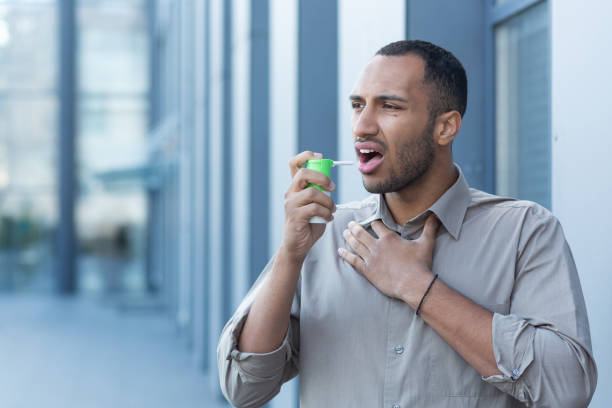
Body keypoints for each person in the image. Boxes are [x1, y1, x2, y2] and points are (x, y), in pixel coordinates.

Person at [217, 40, 597, 407]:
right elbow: (244, 388)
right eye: (357, 105)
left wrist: (417, 286)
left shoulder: (524, 232)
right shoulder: (324, 231)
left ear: (445, 127)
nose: (362, 126)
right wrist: (289, 254)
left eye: (390, 107)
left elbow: (567, 389)